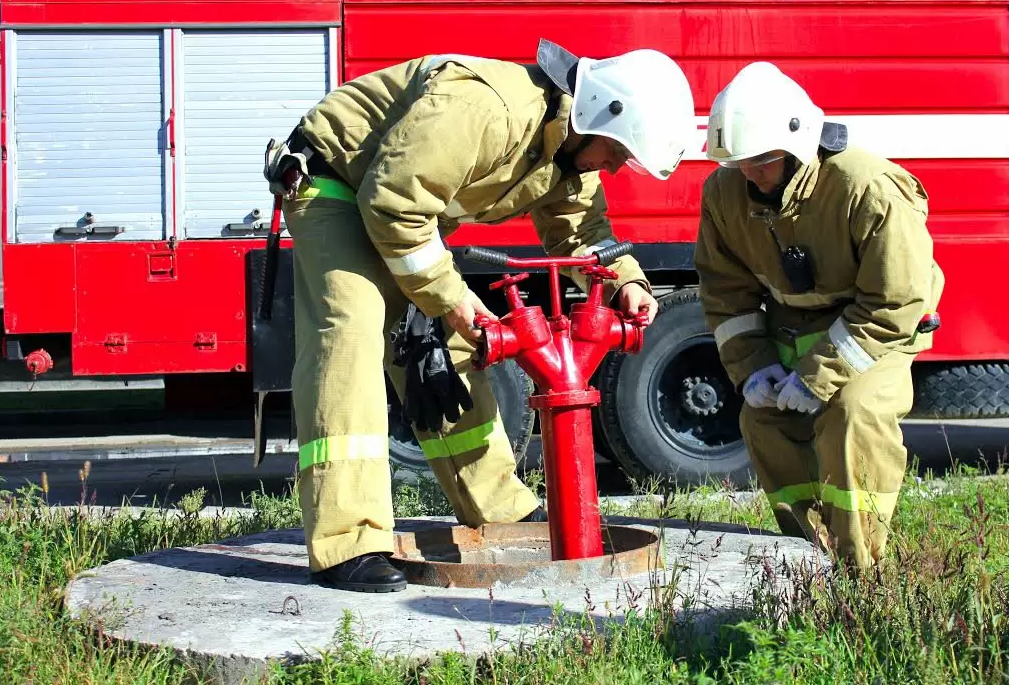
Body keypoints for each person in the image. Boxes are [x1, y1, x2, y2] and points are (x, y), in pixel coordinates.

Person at [263, 39, 695, 592]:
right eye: (616, 153)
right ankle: (349, 543)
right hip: (336, 186)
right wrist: (447, 295)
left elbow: (583, 235)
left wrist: (626, 283)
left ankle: (499, 512)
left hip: (404, 213)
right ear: (595, 115)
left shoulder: (569, 152)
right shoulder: (487, 109)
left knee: (454, 352)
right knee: (350, 335)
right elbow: (392, 199)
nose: (612, 168)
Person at [693, 61, 944, 570]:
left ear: (798, 144)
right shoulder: (724, 193)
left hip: (878, 330)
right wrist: (752, 366)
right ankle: (808, 558)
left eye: (761, 161)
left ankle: (863, 570)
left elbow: (894, 302)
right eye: (737, 161)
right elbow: (726, 292)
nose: (748, 173)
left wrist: (818, 377)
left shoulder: (867, 187)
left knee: (851, 414)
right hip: (793, 328)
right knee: (761, 419)